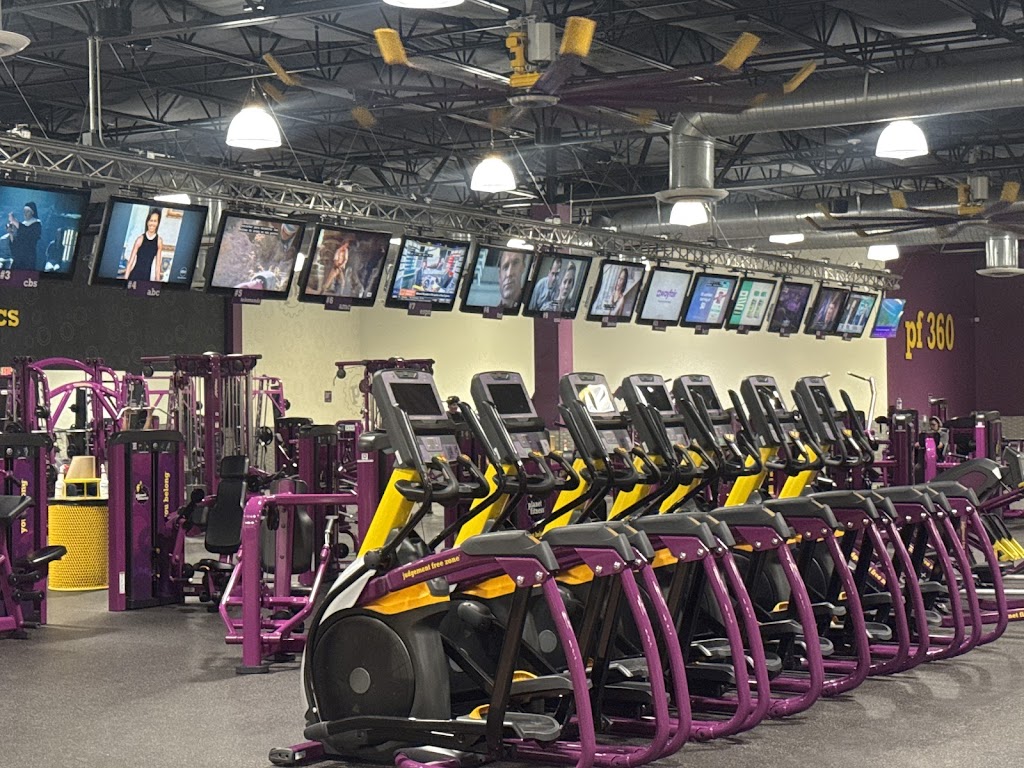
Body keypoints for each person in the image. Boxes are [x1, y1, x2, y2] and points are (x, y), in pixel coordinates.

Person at [123, 208, 165, 282]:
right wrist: (124, 281)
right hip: (134, 277)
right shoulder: (140, 239)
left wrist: (158, 284)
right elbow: (130, 262)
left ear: (158, 223)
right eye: (151, 220)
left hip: (146, 279)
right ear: (147, 222)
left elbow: (158, 267)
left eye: (155, 221)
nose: (152, 223)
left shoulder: (159, 241)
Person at [8, 201, 42, 271]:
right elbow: (15, 244)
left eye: (27, 211)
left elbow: (27, 232)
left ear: (33, 212)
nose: (25, 213)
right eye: (24, 211)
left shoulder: (37, 224)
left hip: (28, 260)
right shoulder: (22, 225)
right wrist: (11, 233)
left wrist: (14, 221)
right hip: (18, 260)